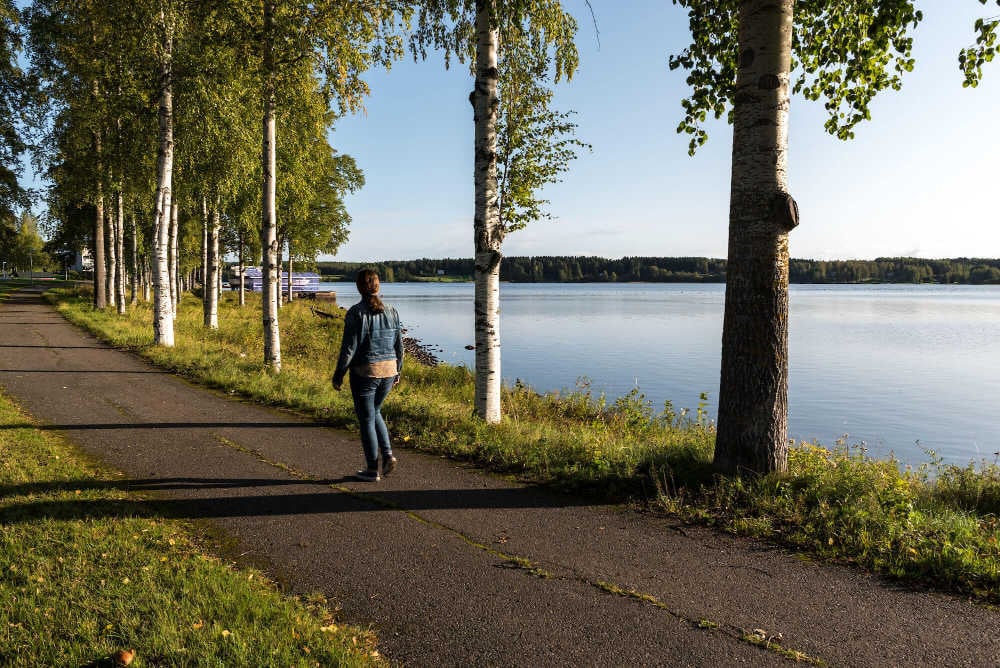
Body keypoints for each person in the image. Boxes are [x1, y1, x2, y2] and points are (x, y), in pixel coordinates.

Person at [332, 269, 403, 481]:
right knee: (375, 411)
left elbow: (349, 349)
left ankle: (372, 470)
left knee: (366, 419)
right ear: (377, 286)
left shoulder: (356, 313)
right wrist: (398, 370)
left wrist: (339, 374)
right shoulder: (392, 311)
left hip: (366, 372)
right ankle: (388, 455)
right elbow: (399, 346)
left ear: (359, 287)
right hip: (389, 370)